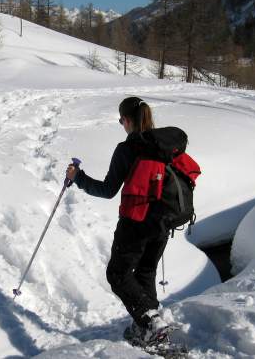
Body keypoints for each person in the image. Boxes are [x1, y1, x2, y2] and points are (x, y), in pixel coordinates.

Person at [66, 96, 170, 343]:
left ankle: (151, 322)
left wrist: (77, 177)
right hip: (163, 222)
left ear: (128, 119)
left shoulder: (127, 149)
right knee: (145, 272)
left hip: (135, 222)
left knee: (117, 274)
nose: (121, 124)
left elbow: (107, 190)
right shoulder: (164, 143)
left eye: (121, 120)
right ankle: (148, 327)